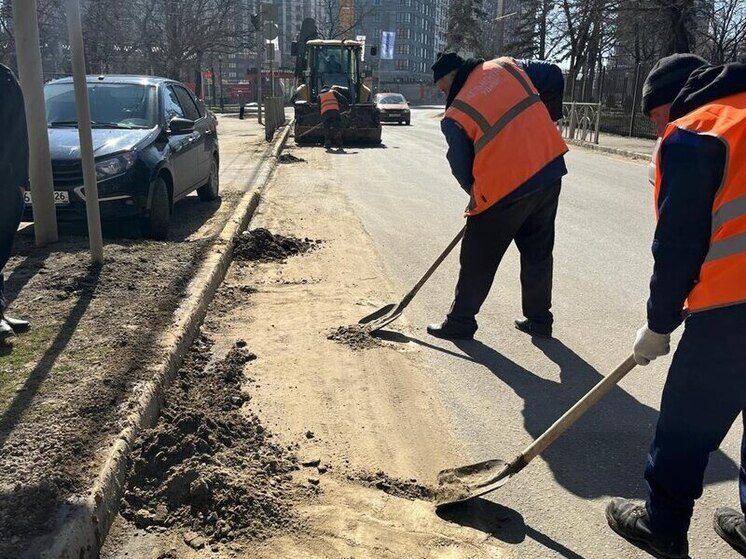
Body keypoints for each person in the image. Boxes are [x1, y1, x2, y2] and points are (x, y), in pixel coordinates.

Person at [605, 54, 746, 559]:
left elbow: (678, 247)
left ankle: (662, 524)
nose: (656, 129)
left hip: (735, 308)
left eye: (653, 117)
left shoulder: (697, 132)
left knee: (688, 419)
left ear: (674, 101)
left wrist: (659, 324)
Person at [427, 53, 568, 340]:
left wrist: (476, 195)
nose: (444, 95)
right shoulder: (507, 65)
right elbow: (553, 73)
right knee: (538, 252)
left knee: (477, 257)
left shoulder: (455, 115)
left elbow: (461, 167)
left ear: (453, 77)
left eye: (442, 88)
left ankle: (461, 321)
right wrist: (548, 116)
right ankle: (539, 320)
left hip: (504, 187)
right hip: (547, 169)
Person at [0, 64, 31, 342]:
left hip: (7, 181)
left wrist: (22, 180)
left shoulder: (6, 79)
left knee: (3, 244)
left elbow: (20, 133)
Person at [319, 86, 348, 151]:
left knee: (327, 129)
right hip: (335, 113)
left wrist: (322, 117)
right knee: (336, 129)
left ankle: (327, 144)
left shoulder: (319, 96)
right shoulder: (333, 92)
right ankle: (339, 145)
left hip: (325, 114)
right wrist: (347, 107)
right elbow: (343, 99)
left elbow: (319, 107)